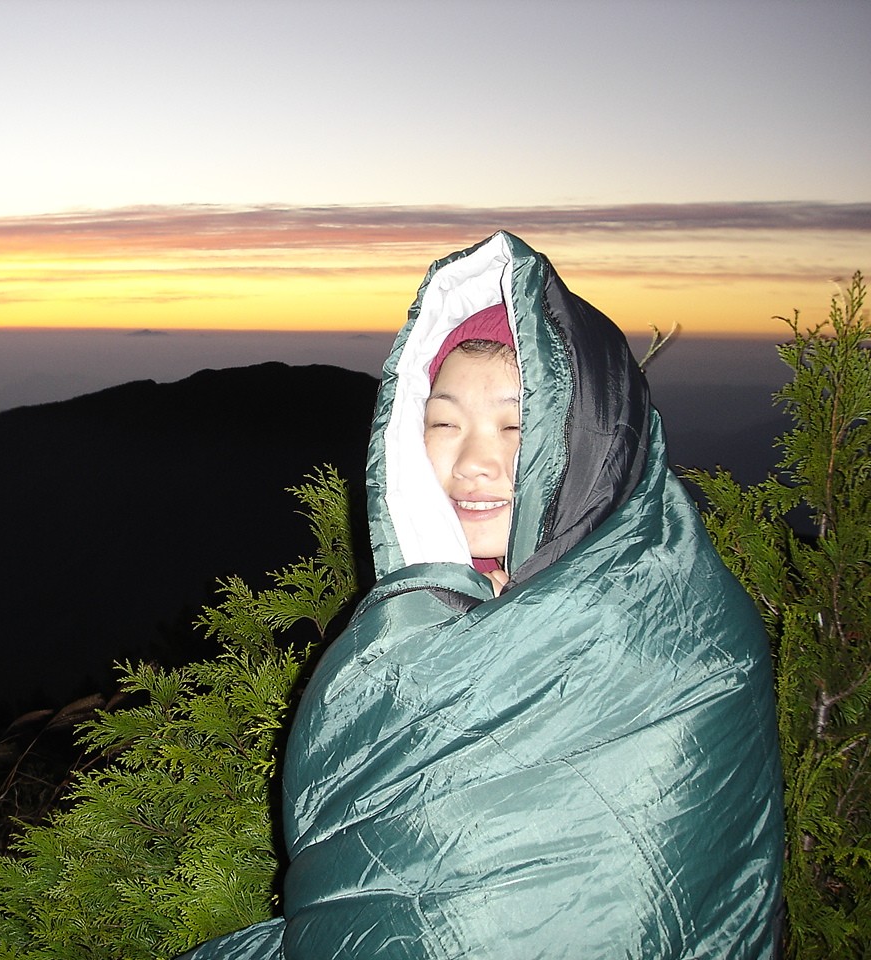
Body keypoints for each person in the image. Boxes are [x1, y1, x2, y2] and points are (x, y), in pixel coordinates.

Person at [180, 231, 784, 959]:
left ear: (587, 441)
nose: (474, 462)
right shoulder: (403, 625)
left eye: (516, 425)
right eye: (445, 423)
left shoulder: (681, 638)